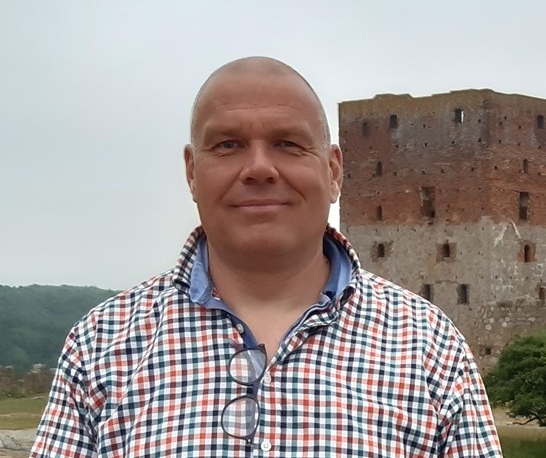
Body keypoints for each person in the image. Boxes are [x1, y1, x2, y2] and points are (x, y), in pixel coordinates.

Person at [31, 57, 503, 457]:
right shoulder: (101, 345)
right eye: (228, 145)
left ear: (334, 171)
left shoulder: (430, 347)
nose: (259, 168)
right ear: (192, 171)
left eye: (288, 144)